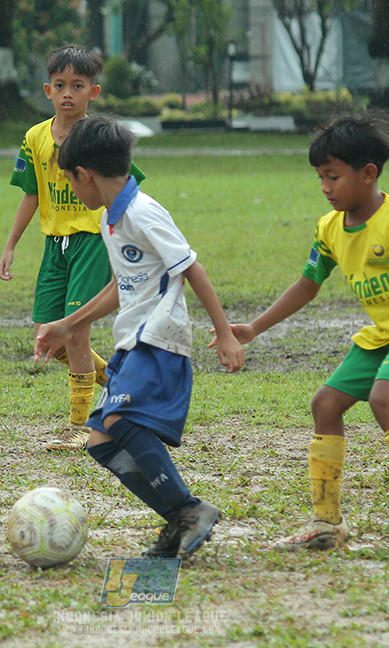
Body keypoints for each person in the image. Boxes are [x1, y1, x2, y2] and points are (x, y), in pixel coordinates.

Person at [220, 110, 389, 552]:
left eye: (333, 177)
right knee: (325, 405)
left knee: (384, 399)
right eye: (320, 178)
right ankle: (327, 523)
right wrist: (254, 327)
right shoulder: (329, 228)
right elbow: (307, 285)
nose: (325, 188)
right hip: (385, 331)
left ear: (368, 174)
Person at [34, 116, 245, 558]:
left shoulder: (143, 212)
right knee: (101, 441)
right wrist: (68, 326)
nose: (72, 190)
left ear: (84, 175)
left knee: (119, 423)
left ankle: (188, 509)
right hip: (133, 343)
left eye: (70, 181)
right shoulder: (111, 217)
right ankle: (180, 514)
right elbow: (120, 286)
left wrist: (224, 334)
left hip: (160, 340)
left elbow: (190, 268)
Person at [0, 45, 145, 451]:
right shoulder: (34, 137)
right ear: (48, 90)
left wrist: (126, 234)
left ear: (93, 92)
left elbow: (126, 187)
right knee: (50, 336)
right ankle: (119, 382)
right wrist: (11, 244)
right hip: (54, 246)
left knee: (76, 332)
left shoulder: (99, 137)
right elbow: (31, 193)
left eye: (77, 86)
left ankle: (80, 425)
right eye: (60, 85)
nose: (68, 93)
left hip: (91, 242)